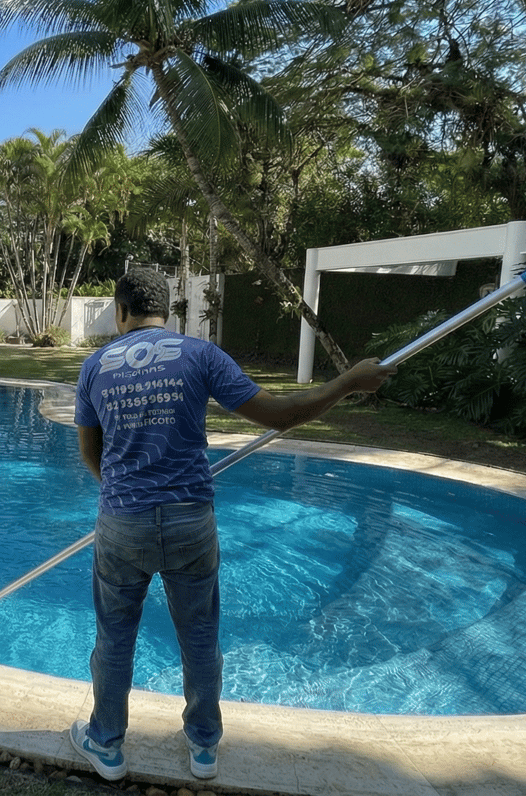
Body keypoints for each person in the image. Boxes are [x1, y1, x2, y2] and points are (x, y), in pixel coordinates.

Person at [70, 267, 395, 782]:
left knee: (114, 637)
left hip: (122, 522)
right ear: (167, 312)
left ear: (120, 311)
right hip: (190, 521)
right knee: (200, 635)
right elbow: (281, 415)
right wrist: (348, 383)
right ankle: (203, 747)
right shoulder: (200, 355)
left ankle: (106, 745)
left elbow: (92, 454)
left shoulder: (94, 367)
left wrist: (122, 494)